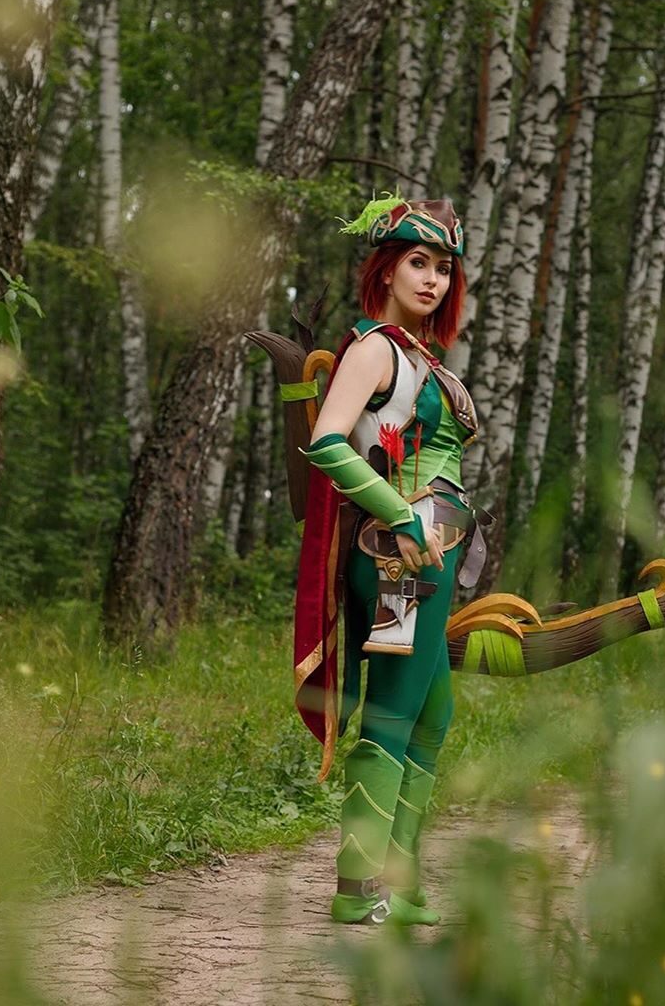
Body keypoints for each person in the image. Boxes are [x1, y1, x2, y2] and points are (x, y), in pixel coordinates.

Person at [294, 196, 481, 926]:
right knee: (395, 714)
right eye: (417, 263)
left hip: (431, 556)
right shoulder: (374, 349)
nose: (432, 280)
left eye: (443, 268)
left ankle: (401, 884)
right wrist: (402, 515)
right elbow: (328, 441)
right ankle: (357, 887)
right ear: (386, 270)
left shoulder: (418, 355)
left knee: (434, 713)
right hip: (399, 559)